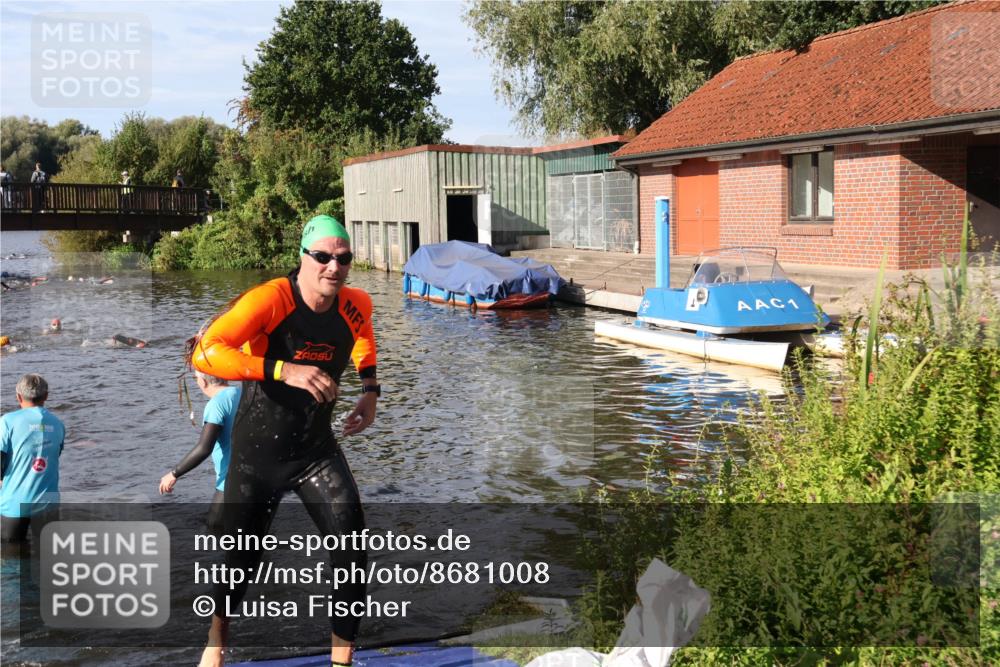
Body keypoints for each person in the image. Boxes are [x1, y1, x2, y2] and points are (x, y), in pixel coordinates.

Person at [191, 214, 379, 667]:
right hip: (258, 453)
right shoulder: (272, 299)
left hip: (315, 450)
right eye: (322, 257)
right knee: (239, 559)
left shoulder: (357, 304)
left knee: (352, 542)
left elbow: (363, 337)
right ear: (303, 257)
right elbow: (207, 350)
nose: (333, 267)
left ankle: (341, 660)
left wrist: (369, 390)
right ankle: (215, 645)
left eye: (343, 258)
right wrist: (282, 369)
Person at [158, 371, 241, 533]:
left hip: (231, 482)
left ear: (202, 381)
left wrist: (174, 474)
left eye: (196, 378)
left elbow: (204, 448)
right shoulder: (241, 392)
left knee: (214, 529)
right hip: (260, 479)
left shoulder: (216, 404)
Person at [1, 374, 66, 543]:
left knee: (12, 558)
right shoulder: (58, 424)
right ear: (46, 396)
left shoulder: (7, 422)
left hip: (15, 504)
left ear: (18, 396)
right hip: (48, 503)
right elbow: (55, 455)